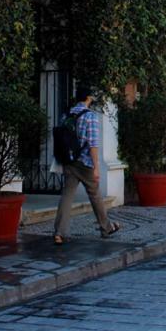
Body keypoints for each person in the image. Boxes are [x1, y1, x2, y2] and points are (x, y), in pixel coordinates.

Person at [53, 86, 121, 244]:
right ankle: (106, 228)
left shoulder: (67, 114)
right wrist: (96, 167)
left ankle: (59, 233)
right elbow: (93, 144)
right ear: (89, 98)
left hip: (69, 161)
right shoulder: (90, 116)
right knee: (95, 195)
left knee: (67, 196)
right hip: (85, 162)